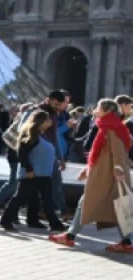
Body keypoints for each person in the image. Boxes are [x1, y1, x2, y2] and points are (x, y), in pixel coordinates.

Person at [51, 99, 133, 253]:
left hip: (108, 175)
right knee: (118, 206)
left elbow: (118, 150)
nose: (96, 109)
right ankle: (127, 240)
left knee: (99, 203)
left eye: (99, 107)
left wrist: (118, 168)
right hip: (105, 173)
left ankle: (70, 235)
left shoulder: (110, 127)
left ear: (107, 110)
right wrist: (89, 168)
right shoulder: (111, 125)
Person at [0, 111, 65, 233]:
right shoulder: (30, 135)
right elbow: (22, 154)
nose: (50, 122)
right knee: (20, 198)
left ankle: (55, 224)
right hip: (32, 174)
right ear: (41, 122)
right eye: (47, 120)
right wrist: (28, 169)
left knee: (47, 199)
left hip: (44, 174)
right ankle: (5, 220)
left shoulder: (43, 134)